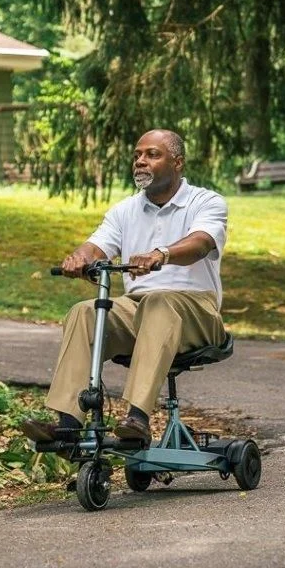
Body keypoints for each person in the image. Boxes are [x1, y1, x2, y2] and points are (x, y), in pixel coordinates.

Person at [22, 129, 228, 446]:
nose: (140, 162)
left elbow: (201, 243)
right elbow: (96, 246)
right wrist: (79, 258)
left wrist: (162, 255)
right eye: (137, 155)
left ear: (177, 163)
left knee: (159, 303)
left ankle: (137, 419)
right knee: (84, 312)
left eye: (152, 155)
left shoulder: (206, 201)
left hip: (197, 311)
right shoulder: (125, 210)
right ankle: (68, 424)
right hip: (138, 308)